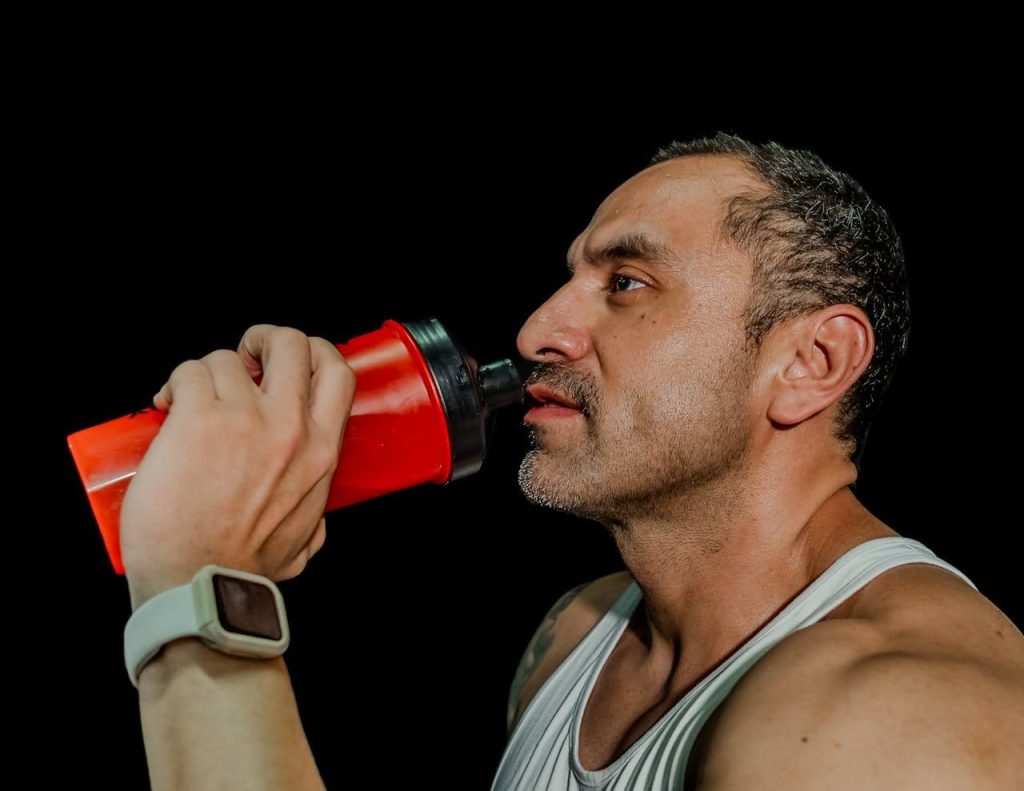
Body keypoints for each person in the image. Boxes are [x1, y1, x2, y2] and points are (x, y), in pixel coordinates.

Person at [118, 132, 1023, 790]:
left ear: (810, 364)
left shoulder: (884, 716)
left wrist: (203, 597)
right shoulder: (578, 637)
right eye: (572, 278)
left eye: (627, 285)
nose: (537, 331)